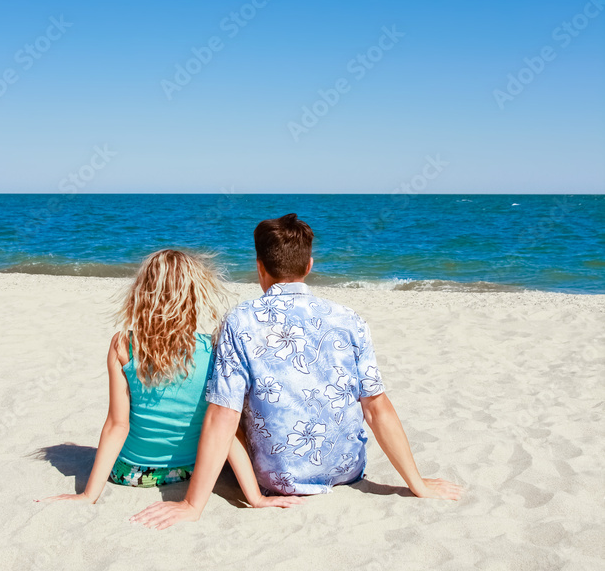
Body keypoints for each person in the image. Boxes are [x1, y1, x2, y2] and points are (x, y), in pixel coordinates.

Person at [131, 215, 463, 531]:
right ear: (309, 266)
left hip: (274, 478)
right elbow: (376, 407)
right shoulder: (349, 320)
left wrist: (192, 505)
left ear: (259, 268)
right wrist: (416, 483)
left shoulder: (240, 320)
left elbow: (223, 415)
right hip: (345, 471)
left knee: (231, 399)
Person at [37, 248, 304, 510]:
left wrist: (88, 495)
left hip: (130, 473)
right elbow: (227, 430)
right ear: (191, 297)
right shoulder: (212, 350)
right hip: (189, 470)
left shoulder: (123, 346)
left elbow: (117, 425)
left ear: (142, 294)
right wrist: (255, 498)